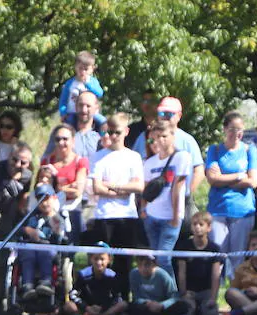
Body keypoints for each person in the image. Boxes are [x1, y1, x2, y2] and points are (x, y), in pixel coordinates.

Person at [86, 113, 146, 294]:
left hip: (127, 216)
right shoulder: (98, 156)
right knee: (102, 260)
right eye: (109, 132)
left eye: (116, 132)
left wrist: (112, 186)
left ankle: (123, 299)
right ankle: (104, 298)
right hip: (104, 215)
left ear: (126, 132)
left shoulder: (133, 157)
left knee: (124, 262)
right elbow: (97, 188)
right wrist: (122, 190)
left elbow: (138, 186)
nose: (112, 136)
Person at [204, 111, 257, 258]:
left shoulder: (250, 150)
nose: (236, 134)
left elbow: (253, 181)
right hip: (218, 209)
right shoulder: (214, 150)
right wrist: (239, 176)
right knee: (217, 257)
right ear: (224, 129)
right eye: (232, 130)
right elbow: (212, 179)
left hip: (242, 210)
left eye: (240, 130)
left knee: (238, 257)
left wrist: (223, 179)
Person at [134, 96, 204, 211]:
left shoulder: (187, 140)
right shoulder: (144, 137)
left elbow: (199, 171)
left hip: (180, 202)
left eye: (169, 114)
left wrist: (187, 192)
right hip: (151, 200)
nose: (165, 117)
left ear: (179, 116)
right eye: (162, 113)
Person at [139, 122, 191, 273]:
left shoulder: (181, 157)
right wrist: (143, 209)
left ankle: (171, 292)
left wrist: (175, 216)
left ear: (172, 136)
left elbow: (177, 187)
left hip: (170, 216)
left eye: (164, 136)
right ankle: (160, 293)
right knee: (156, 258)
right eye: (156, 138)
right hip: (152, 214)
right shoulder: (149, 162)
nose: (160, 141)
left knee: (163, 258)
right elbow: (146, 189)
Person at [17, 184, 67, 306]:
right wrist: (27, 230)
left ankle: (46, 282)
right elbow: (19, 230)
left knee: (45, 252)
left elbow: (62, 237)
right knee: (27, 254)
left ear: (54, 198)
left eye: (47, 199)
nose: (44, 203)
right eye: (41, 200)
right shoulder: (31, 216)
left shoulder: (58, 217)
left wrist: (57, 231)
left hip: (49, 246)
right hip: (31, 246)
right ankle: (27, 286)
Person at [41, 123, 89, 237]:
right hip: (50, 210)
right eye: (58, 139)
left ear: (73, 141)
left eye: (65, 139)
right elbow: (44, 190)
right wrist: (68, 187)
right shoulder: (47, 161)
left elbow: (77, 191)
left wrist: (57, 187)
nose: (61, 143)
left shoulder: (80, 161)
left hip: (73, 210)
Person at [175, 210, 223, 315]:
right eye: (194, 224)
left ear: (209, 227)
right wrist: (183, 293)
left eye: (201, 224)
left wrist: (213, 297)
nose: (197, 227)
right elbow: (181, 272)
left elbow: (216, 275)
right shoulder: (184, 246)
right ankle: (194, 310)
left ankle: (201, 309)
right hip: (189, 292)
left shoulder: (214, 248)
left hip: (206, 291)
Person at [61, 245, 127, 315]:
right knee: (69, 305)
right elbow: (73, 294)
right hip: (86, 308)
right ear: (91, 259)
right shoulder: (83, 275)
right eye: (96, 259)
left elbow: (117, 297)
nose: (99, 262)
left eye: (102, 259)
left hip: (104, 309)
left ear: (109, 260)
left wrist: (103, 308)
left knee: (123, 304)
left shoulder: (112, 276)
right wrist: (87, 307)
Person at [127, 251, 194, 315]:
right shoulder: (133, 274)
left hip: (161, 306)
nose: (143, 268)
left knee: (183, 306)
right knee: (130, 307)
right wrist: (147, 303)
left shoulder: (163, 275)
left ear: (154, 265)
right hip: (145, 306)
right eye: (140, 265)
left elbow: (174, 297)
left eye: (147, 265)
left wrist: (162, 305)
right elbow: (136, 297)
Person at [56, 50, 105, 128]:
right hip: (73, 112)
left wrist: (88, 84)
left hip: (91, 113)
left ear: (92, 69)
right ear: (75, 67)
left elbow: (100, 93)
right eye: (80, 68)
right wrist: (63, 113)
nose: (82, 72)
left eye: (86, 69)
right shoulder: (70, 83)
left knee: (103, 122)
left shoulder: (93, 81)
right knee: (69, 124)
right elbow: (63, 100)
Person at [0, 110, 23, 176]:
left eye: (9, 127)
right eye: (1, 126)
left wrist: (15, 147)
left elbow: (27, 168)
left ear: (16, 129)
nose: (4, 130)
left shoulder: (21, 145)